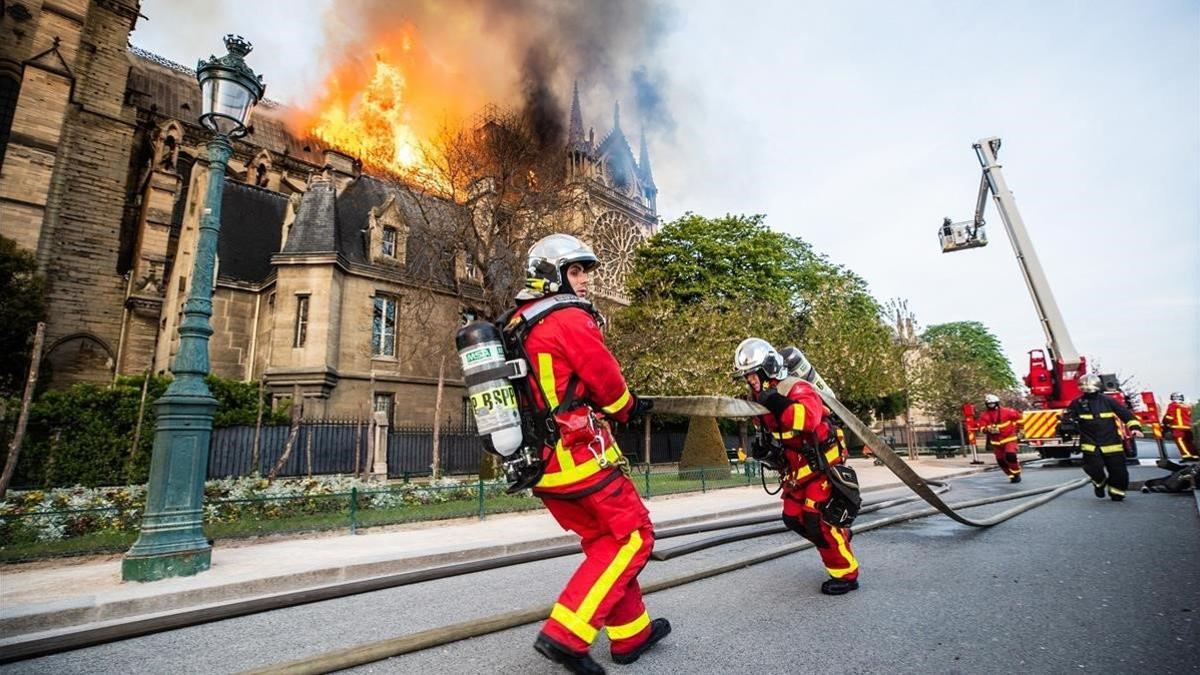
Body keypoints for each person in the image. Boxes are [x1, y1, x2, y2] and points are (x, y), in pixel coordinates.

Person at [508, 234, 669, 674]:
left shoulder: (518, 322)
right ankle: (566, 636)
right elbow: (605, 380)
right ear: (552, 276)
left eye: (584, 272)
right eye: (575, 272)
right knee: (634, 537)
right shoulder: (567, 318)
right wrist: (628, 407)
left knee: (605, 542)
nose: (584, 282)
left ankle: (630, 635)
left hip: (544, 465)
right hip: (580, 457)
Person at [735, 337, 860, 595]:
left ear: (766, 368)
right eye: (746, 377)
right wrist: (766, 452)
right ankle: (837, 539)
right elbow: (773, 435)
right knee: (792, 518)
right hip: (795, 470)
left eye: (752, 375)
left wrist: (777, 402)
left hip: (820, 465)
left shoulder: (795, 388)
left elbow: (808, 419)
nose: (750, 381)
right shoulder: (762, 399)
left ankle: (846, 574)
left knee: (818, 519)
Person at [1061, 374, 1144, 501]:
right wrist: (1067, 425)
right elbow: (1067, 419)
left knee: (1118, 470)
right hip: (1090, 442)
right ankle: (1099, 482)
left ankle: (1117, 492)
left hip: (1111, 441)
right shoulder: (1077, 403)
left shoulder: (1108, 400)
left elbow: (1124, 413)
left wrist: (1135, 428)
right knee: (1092, 467)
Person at [974, 394, 1024, 483]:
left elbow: (1020, 419)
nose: (991, 405)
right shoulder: (984, 415)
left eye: (992, 403)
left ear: (997, 403)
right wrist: (987, 429)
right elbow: (981, 428)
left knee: (1010, 455)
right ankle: (1011, 475)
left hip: (1009, 439)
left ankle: (1017, 473)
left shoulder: (1007, 412)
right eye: (989, 404)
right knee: (1001, 461)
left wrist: (1018, 428)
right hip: (996, 442)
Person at [1162, 392, 1197, 461]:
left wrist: (1165, 422)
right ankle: (1195, 455)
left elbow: (1170, 416)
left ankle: (1186, 455)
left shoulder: (1173, 405)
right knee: (1188, 441)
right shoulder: (1187, 406)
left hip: (1178, 427)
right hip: (1187, 427)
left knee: (1180, 441)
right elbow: (1189, 416)